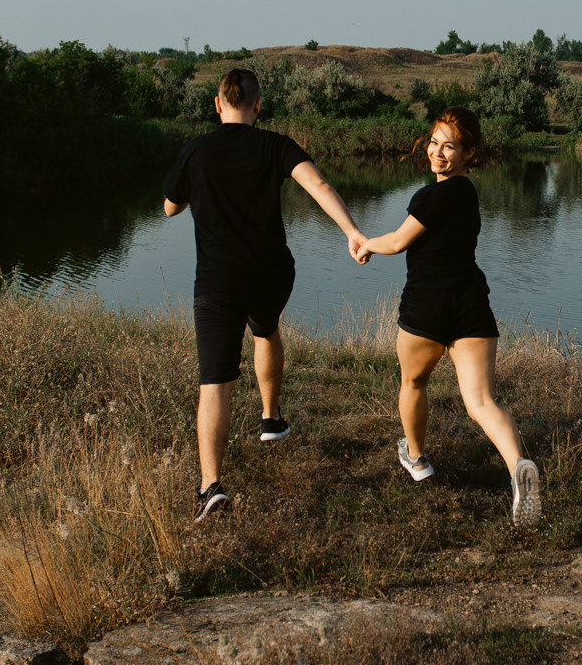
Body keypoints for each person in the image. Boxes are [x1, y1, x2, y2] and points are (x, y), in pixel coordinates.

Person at [163, 66, 369, 520]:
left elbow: (169, 207)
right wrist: (351, 232)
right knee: (265, 327)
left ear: (217, 105)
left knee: (215, 379)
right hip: (272, 272)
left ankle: (210, 486)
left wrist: (188, 193)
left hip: (218, 279)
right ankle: (271, 419)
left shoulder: (195, 150)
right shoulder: (275, 144)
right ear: (258, 106)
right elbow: (318, 185)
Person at [354, 107, 541, 526]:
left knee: (414, 382)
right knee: (481, 401)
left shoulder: (430, 196)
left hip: (426, 306)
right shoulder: (469, 194)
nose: (438, 152)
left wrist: (366, 243)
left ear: (469, 153)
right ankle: (517, 467)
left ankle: (416, 458)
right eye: (434, 142)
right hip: (472, 305)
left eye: (449, 146)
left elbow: (399, 241)